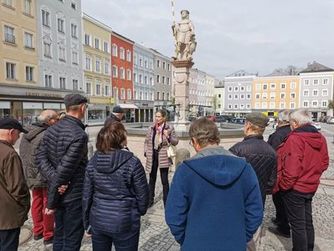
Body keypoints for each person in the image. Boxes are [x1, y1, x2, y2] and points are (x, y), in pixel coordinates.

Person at [165, 118, 263, 250]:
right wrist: (241, 236)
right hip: (234, 243)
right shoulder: (245, 168)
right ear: (217, 138)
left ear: (195, 142)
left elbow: (174, 215)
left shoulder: (185, 171)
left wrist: (187, 238)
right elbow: (255, 211)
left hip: (196, 244)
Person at [82, 122, 149, 251]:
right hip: (125, 220)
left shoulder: (92, 162)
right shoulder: (132, 162)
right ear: (121, 139)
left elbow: (87, 195)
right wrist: (139, 211)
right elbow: (143, 195)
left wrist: (87, 223)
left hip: (98, 219)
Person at [36, 93, 89, 251]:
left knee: (59, 233)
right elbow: (64, 169)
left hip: (60, 191)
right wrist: (58, 185)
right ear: (82, 108)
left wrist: (55, 182)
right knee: (71, 239)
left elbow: (40, 159)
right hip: (72, 193)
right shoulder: (79, 135)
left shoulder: (51, 129)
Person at [274, 109, 329, 251]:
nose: (290, 125)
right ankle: (309, 248)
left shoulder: (295, 138)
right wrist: (312, 175)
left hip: (295, 188)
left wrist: (284, 186)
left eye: (291, 122)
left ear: (296, 123)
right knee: (307, 222)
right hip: (311, 185)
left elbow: (291, 170)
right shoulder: (320, 137)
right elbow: (324, 162)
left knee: (298, 225)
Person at [19, 110, 59, 245]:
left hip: (31, 173)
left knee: (36, 202)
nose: (58, 122)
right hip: (45, 173)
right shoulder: (47, 134)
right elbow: (52, 156)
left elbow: (23, 154)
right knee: (48, 203)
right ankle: (48, 234)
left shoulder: (26, 133)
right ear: (49, 120)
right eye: (56, 119)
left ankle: (37, 231)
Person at [230, 112, 277, 205]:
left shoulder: (237, 149)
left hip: (238, 198)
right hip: (259, 198)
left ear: (248, 125)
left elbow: (228, 176)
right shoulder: (271, 151)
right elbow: (271, 183)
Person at [0, 118, 30, 251]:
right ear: (11, 132)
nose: (18, 138)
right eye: (18, 134)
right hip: (7, 217)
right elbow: (18, 188)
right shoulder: (9, 154)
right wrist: (24, 207)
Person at [144, 109, 178, 207]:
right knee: (152, 178)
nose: (157, 118)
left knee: (164, 180)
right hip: (153, 155)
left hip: (163, 155)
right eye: (156, 116)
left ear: (164, 117)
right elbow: (146, 141)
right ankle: (150, 200)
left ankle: (166, 202)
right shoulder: (151, 127)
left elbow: (176, 141)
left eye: (159, 116)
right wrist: (146, 151)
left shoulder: (169, 128)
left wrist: (168, 136)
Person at [267, 110, 291, 238]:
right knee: (283, 199)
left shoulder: (278, 134)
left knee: (279, 198)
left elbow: (273, 154)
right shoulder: (292, 131)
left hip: (280, 172)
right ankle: (280, 220)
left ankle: (283, 226)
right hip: (289, 171)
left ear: (280, 120)